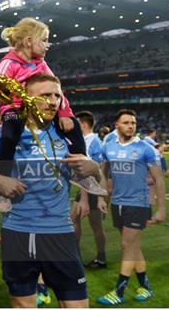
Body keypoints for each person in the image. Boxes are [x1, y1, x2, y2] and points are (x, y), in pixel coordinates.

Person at [0, 74, 103, 308]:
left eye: (57, 95)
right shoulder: (5, 134)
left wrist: (94, 169)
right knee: (23, 304)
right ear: (26, 99)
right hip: (17, 233)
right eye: (45, 95)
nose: (53, 101)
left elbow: (95, 179)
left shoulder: (66, 133)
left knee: (77, 305)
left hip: (60, 233)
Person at [0, 18, 105, 196]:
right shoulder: (9, 63)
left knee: (73, 126)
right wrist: (21, 97)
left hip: (39, 108)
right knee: (8, 136)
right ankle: (4, 177)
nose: (48, 45)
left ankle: (81, 172)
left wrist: (65, 113)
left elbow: (56, 90)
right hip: (15, 110)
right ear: (28, 42)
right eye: (44, 40)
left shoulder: (42, 65)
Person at [97, 110, 166, 305]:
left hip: (138, 203)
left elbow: (159, 180)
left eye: (133, 123)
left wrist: (161, 208)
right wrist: (103, 198)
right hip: (118, 203)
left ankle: (119, 291)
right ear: (116, 125)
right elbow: (102, 174)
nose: (130, 126)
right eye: (126, 122)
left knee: (127, 245)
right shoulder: (108, 147)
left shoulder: (146, 148)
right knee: (133, 246)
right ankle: (145, 286)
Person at [71, 111, 108, 269]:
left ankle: (75, 257)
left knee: (75, 220)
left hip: (88, 189)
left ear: (84, 125)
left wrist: (85, 199)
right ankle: (101, 258)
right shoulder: (95, 141)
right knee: (95, 224)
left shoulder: (89, 141)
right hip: (93, 188)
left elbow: (88, 172)